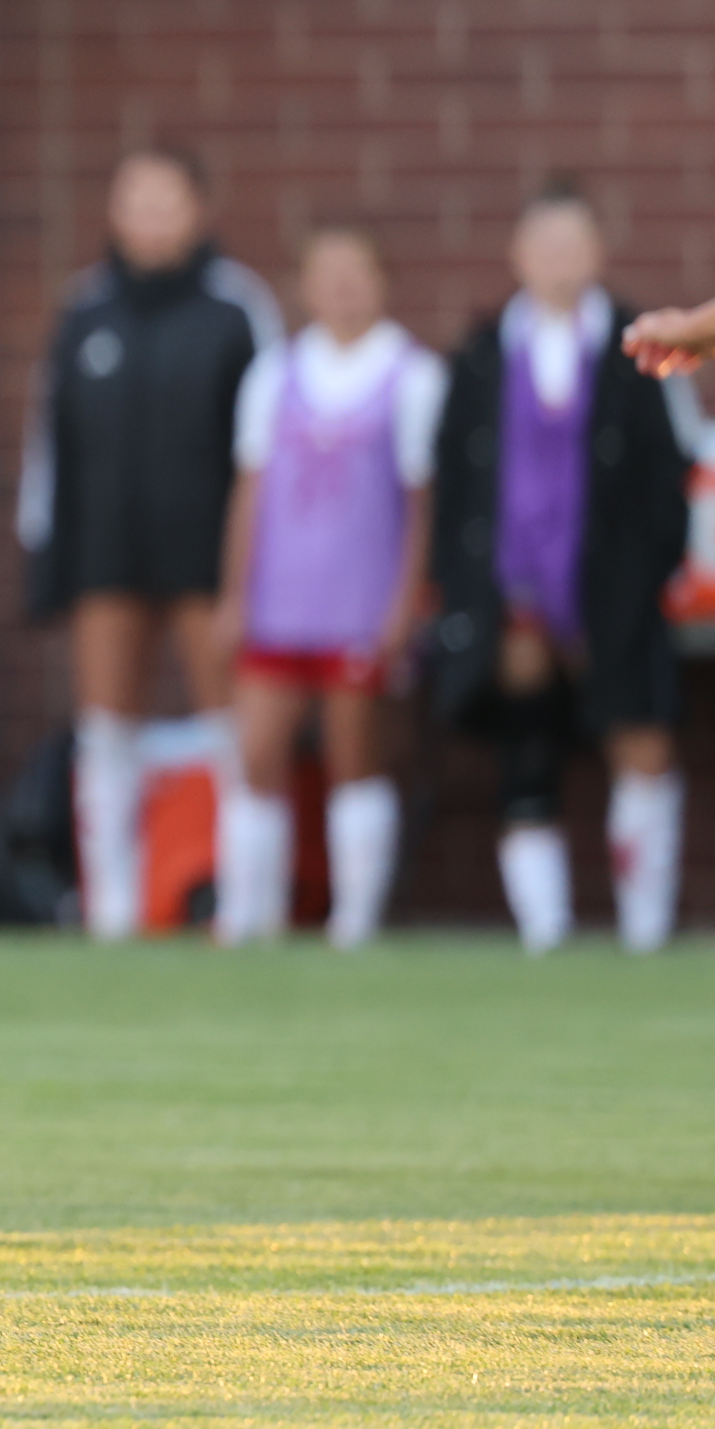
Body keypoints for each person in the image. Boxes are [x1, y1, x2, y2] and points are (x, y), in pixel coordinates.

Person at [22, 145, 275, 941]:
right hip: (106, 549)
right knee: (106, 729)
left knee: (231, 726)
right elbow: (50, 444)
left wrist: (256, 569)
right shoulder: (83, 309)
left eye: (168, 200)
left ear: (198, 209)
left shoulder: (238, 308)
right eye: (136, 200)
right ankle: (113, 908)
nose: (152, 217)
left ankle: (244, 901)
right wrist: (46, 556)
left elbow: (268, 445)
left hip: (206, 555)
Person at [450, 182, 692, 952]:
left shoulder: (642, 347)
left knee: (640, 741)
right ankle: (544, 931)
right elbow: (456, 483)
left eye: (573, 243)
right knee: (526, 744)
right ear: (517, 255)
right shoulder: (481, 355)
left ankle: (645, 931)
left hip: (616, 588)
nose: (559, 259)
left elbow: (672, 474)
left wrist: (644, 577)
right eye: (545, 244)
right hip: (515, 593)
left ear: (599, 253)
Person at [213, 225, 440, 947]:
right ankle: (248, 911)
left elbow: (422, 504)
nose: (343, 288)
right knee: (256, 752)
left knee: (355, 755)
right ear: (305, 287)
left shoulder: (413, 376)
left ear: (382, 282)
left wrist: (405, 602)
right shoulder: (274, 374)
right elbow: (250, 489)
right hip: (279, 599)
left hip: (361, 600)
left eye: (357, 272)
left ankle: (355, 917)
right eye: (328, 273)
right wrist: (233, 593)